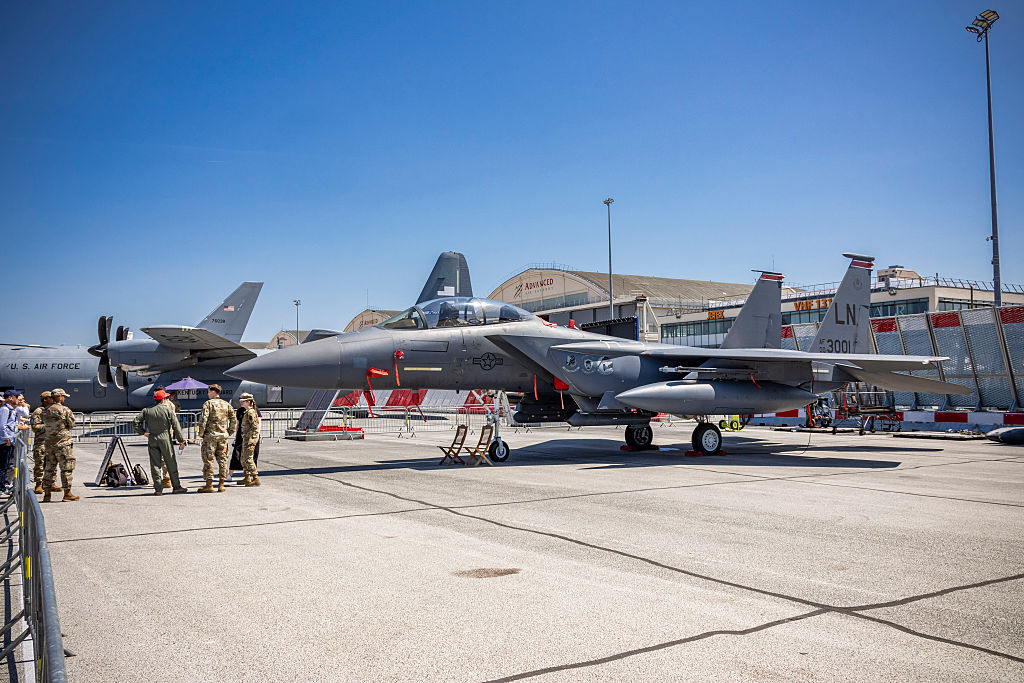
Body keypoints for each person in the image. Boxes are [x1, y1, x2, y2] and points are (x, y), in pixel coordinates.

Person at [133, 390, 187, 495]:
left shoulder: (147, 411)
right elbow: (176, 426)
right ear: (163, 400)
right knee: (171, 463)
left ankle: (158, 489)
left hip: (152, 438)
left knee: (155, 464)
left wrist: (143, 433)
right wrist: (181, 440)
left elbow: (135, 422)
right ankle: (176, 486)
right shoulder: (167, 410)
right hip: (165, 438)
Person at [196, 384, 236, 493]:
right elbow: (233, 419)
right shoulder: (226, 404)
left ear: (213, 392)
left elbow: (203, 420)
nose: (208, 394)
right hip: (223, 437)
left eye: (209, 392)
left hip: (210, 437)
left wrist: (201, 434)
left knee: (208, 460)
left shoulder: (208, 404)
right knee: (222, 460)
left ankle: (209, 485)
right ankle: (221, 485)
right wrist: (229, 432)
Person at [41, 388, 77, 502]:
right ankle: (67, 493)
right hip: (63, 444)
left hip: (49, 443)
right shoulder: (65, 410)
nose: (64, 398)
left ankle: (47, 494)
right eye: (64, 396)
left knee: (49, 469)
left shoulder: (45, 410)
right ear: (60, 397)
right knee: (66, 469)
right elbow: (71, 424)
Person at [30, 391, 59, 495]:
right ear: (45, 399)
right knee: (40, 464)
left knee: (52, 464)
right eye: (50, 398)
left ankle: (51, 483)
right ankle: (38, 484)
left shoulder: (53, 410)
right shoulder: (38, 411)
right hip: (41, 442)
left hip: (52, 442)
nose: (53, 399)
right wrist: (48, 426)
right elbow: (35, 427)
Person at [0, 390, 28, 494]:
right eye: (16, 396)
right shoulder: (5, 409)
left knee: (6, 464)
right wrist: (6, 439)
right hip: (5, 441)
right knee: (3, 466)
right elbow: (2, 426)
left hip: (9, 440)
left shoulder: (11, 409)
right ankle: (1, 487)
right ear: (10, 398)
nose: (18, 399)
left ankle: (3, 486)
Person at [152, 385, 174, 489]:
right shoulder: (171, 405)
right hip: (167, 434)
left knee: (160, 458)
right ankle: (166, 479)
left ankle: (164, 480)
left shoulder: (163, 405)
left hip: (161, 434)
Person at [237, 393, 261, 487]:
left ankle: (255, 478)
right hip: (246, 438)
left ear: (248, 402)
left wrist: (250, 438)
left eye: (243, 402)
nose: (241, 403)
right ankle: (247, 478)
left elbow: (254, 427)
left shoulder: (251, 412)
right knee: (243, 458)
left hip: (250, 439)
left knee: (248, 459)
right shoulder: (247, 411)